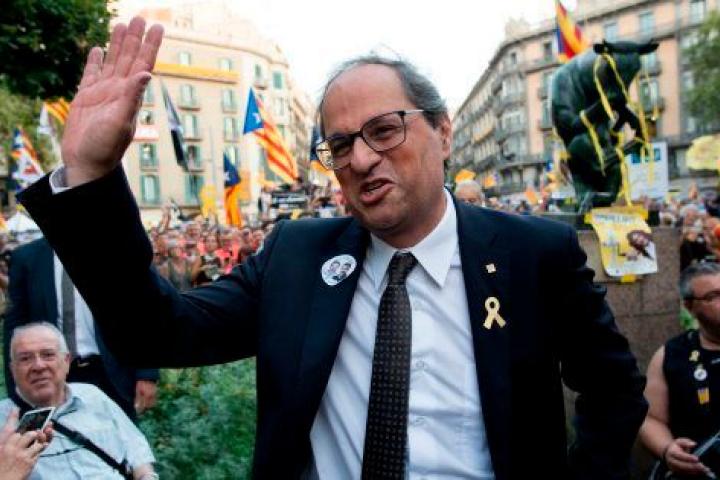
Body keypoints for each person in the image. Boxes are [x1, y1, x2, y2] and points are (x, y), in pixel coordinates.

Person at [19, 17, 647, 479]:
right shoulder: (297, 257)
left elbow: (614, 389)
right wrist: (91, 176)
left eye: (384, 130)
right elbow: (158, 332)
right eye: (341, 145)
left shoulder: (532, 254)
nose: (362, 159)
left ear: (443, 131)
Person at [3, 238, 159, 420]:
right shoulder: (27, 258)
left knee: (117, 435)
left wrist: (147, 374)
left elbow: (142, 312)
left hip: (111, 373)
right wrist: (15, 385)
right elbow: (15, 326)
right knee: (53, 436)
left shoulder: (121, 250)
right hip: (51, 375)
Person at [0, 323, 156, 479]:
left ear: (66, 361)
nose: (39, 366)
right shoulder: (4, 422)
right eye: (25, 359)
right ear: (13, 370)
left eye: (48, 355)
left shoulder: (92, 396)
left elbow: (136, 450)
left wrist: (146, 476)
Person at [640, 263, 720, 478]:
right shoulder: (671, 355)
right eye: (713, 296)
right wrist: (667, 449)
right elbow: (650, 419)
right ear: (689, 306)